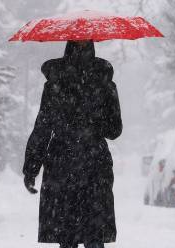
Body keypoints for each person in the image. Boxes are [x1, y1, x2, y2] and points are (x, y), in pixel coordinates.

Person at [23, 40, 123, 248]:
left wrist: (31, 169)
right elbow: (114, 131)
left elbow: (43, 127)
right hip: (94, 164)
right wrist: (94, 122)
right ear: (92, 47)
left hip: (61, 164)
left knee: (66, 235)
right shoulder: (104, 81)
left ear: (67, 47)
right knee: (94, 234)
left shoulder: (55, 82)